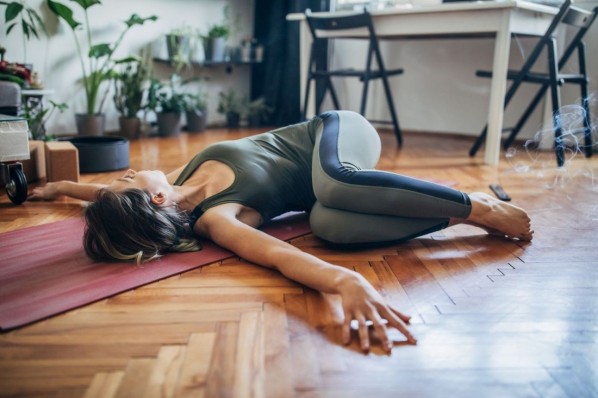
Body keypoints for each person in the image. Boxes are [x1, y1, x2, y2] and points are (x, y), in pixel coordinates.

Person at [31, 110, 533, 353]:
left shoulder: (174, 184)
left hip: (335, 136)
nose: (125, 174)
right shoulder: (216, 220)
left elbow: (100, 196)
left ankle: (479, 207)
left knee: (333, 185)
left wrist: (55, 188)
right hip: (340, 190)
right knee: (327, 224)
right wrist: (345, 281)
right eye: (127, 180)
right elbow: (276, 257)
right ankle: (452, 216)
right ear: (154, 200)